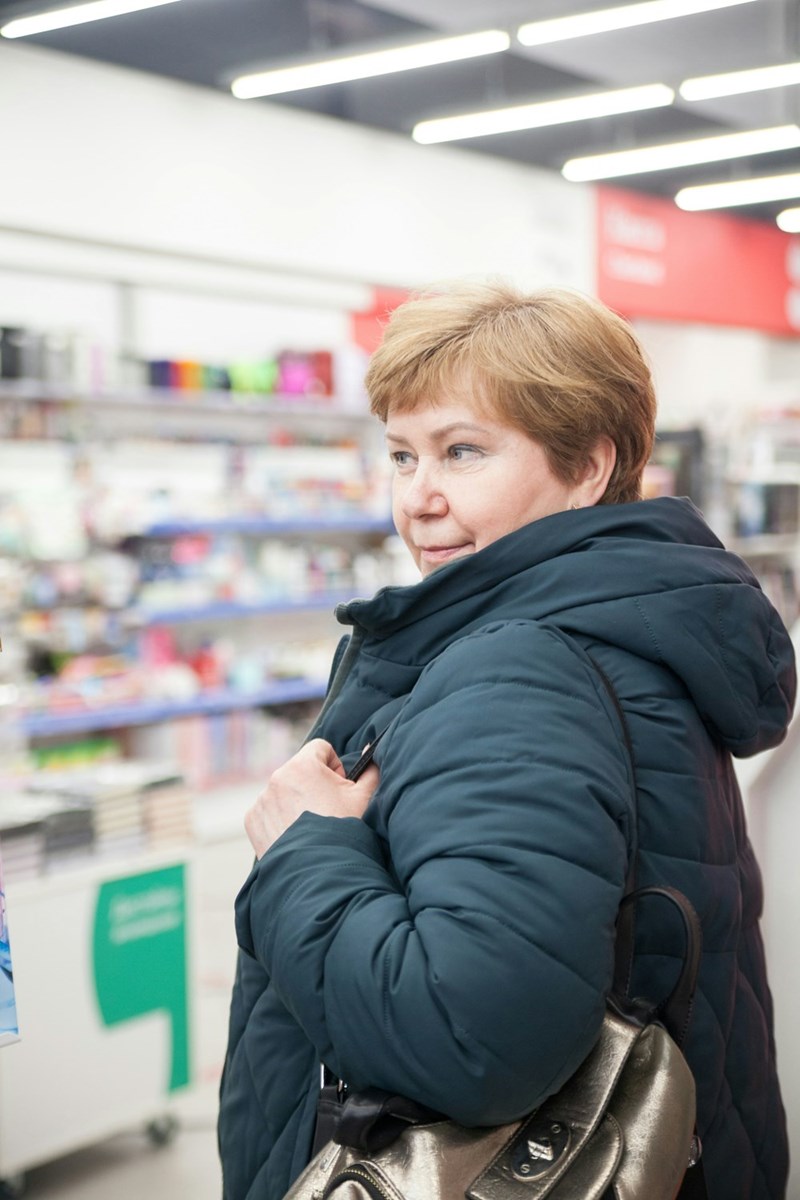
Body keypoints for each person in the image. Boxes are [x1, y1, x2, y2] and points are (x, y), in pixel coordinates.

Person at [218, 281, 795, 1200]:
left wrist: (305, 850)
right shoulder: (620, 627)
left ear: (590, 466)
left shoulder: (518, 672)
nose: (420, 499)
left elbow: (471, 1039)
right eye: (402, 456)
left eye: (464, 452)